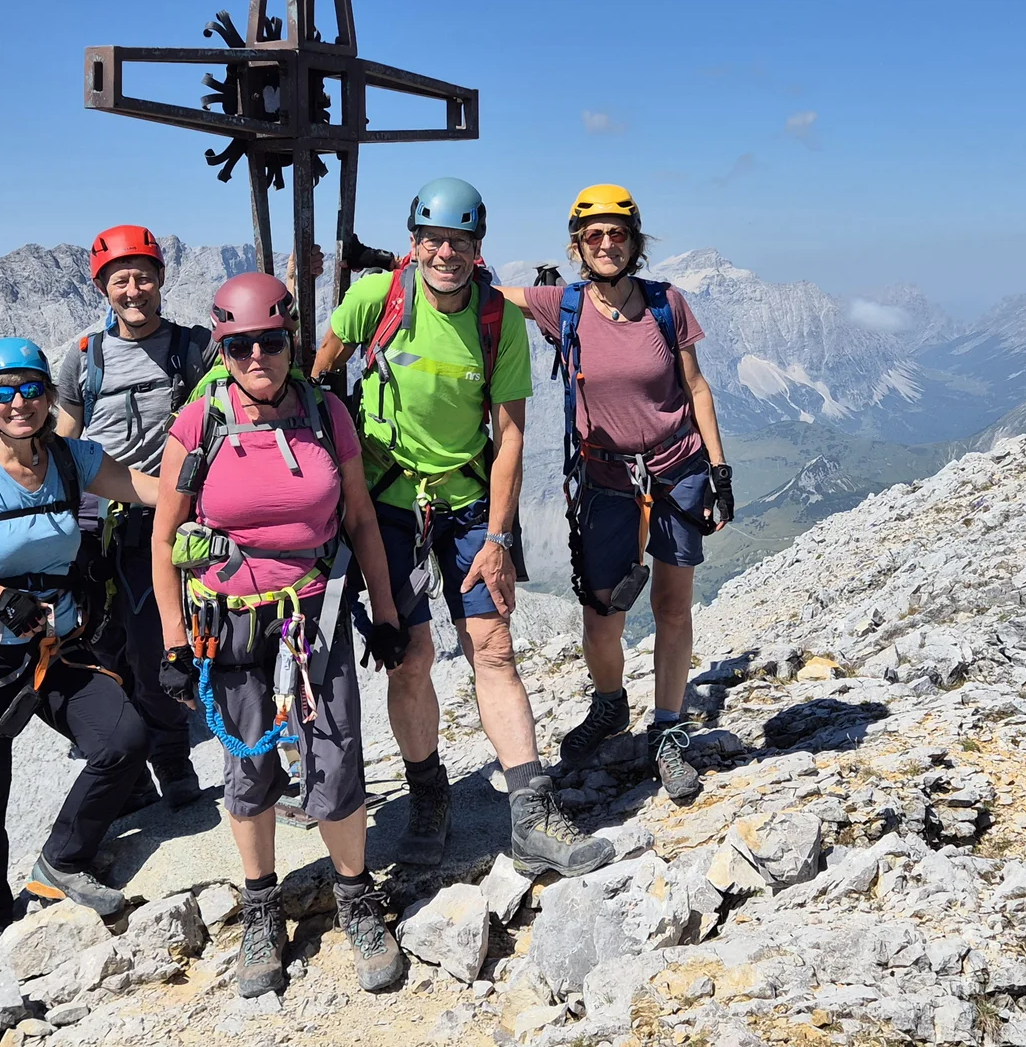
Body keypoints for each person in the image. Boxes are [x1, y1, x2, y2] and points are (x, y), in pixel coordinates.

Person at [310, 176, 614, 879]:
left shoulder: (497, 320)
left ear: (478, 249)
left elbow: (510, 437)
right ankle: (428, 800)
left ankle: (533, 818)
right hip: (386, 503)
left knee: (494, 648)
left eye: (460, 241)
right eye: (434, 240)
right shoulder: (374, 300)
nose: (446, 253)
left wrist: (501, 541)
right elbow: (320, 379)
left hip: (470, 505)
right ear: (414, 245)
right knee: (409, 656)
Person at [151, 274, 410, 998]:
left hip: (314, 610)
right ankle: (261, 905)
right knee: (248, 766)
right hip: (228, 620)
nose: (257, 356)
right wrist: (174, 639)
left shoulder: (327, 414)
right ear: (222, 348)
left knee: (336, 751)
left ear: (292, 339)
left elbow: (360, 519)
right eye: (239, 346)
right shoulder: (198, 423)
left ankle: (356, 897)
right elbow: (165, 535)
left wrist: (385, 615)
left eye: (270, 341)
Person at [0, 337, 160, 969]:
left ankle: (62, 860)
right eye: (3, 392)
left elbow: (149, 490)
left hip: (55, 645)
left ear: (49, 395)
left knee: (123, 738)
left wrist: (235, 490)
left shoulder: (73, 460)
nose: (19, 403)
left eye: (32, 389)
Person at [498, 185, 733, 805]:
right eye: (594, 236)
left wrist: (719, 467)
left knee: (672, 606)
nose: (607, 244)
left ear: (634, 242)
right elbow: (478, 290)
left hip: (676, 470)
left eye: (617, 234)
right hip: (605, 482)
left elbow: (697, 388)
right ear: (578, 246)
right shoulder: (564, 306)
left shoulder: (666, 304)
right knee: (603, 616)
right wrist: (411, 264)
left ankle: (668, 730)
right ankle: (610, 706)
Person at [53, 224, 208, 808]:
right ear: (103, 289)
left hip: (160, 514)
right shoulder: (84, 359)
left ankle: (171, 760)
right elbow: (64, 438)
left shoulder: (191, 349)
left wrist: (297, 282)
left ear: (162, 279)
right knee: (100, 647)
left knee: (152, 643)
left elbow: (258, 361)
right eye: (121, 280)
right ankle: (131, 773)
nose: (133, 289)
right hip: (98, 521)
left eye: (143, 276)